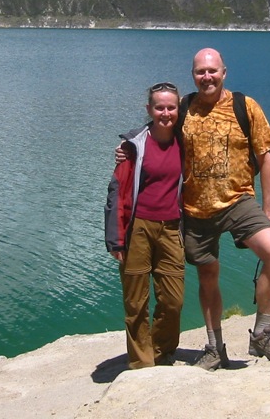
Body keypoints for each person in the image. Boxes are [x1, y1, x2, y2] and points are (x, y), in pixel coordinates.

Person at [179, 48, 270, 370]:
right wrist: (127, 147)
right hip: (195, 208)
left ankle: (262, 333)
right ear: (193, 75)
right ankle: (215, 347)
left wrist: (269, 212)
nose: (207, 77)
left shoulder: (246, 107)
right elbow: (157, 137)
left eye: (212, 71)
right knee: (208, 277)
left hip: (239, 200)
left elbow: (266, 160)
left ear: (224, 72)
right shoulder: (183, 109)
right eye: (200, 71)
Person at [105, 82, 185, 369]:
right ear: (149, 109)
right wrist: (116, 239)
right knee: (136, 303)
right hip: (137, 228)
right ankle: (142, 363)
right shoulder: (133, 146)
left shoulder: (186, 141)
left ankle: (162, 353)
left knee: (173, 300)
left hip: (172, 228)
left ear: (179, 109)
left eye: (171, 107)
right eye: (159, 107)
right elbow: (117, 191)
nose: (165, 113)